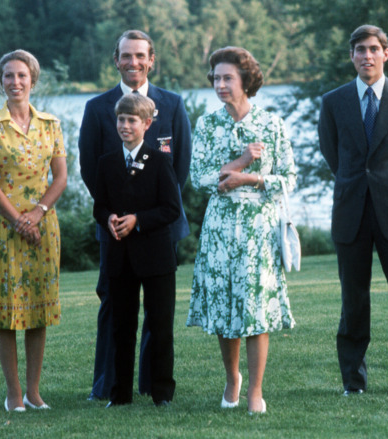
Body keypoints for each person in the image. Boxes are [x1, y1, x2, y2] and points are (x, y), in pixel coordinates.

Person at [79, 29, 191, 400]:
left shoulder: (172, 104)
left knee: (159, 319)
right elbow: (90, 172)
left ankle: (153, 386)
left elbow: (180, 170)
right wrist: (113, 216)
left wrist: (143, 217)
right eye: (126, 56)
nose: (133, 62)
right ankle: (110, 386)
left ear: (151, 60)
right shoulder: (97, 107)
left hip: (158, 232)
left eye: (140, 56)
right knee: (116, 314)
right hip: (115, 234)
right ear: (116, 60)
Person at [318, 25, 388, 395]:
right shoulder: (333, 102)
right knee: (353, 301)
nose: (366, 56)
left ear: (385, 53)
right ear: (351, 56)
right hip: (351, 212)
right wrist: (360, 184)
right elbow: (333, 154)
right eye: (360, 50)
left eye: (373, 49)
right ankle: (354, 381)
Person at [186, 46, 296, 414]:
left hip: (258, 230)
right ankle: (232, 378)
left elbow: (290, 179)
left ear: (246, 80)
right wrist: (242, 162)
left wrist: (252, 178)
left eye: (227, 78)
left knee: (256, 309)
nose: (219, 85)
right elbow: (198, 178)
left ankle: (255, 391)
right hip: (219, 230)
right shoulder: (206, 124)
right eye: (215, 78)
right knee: (224, 307)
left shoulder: (272, 124)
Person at [0, 49, 67, 411]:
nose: (15, 82)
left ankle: (34, 391)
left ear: (33, 80)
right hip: (4, 228)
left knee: (38, 310)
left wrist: (38, 213)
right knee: (8, 312)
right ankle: (14, 394)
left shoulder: (51, 124)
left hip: (43, 227)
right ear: (0, 81)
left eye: (21, 76)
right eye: (8, 76)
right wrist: (18, 220)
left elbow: (60, 177)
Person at [94, 93, 181, 407]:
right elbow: (99, 206)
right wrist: (109, 218)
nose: (125, 126)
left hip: (156, 258)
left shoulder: (160, 161)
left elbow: (171, 209)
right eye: (121, 119)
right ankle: (120, 395)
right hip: (120, 258)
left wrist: (138, 220)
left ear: (147, 124)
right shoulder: (106, 162)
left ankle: (162, 393)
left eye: (132, 120)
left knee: (160, 327)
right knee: (121, 327)